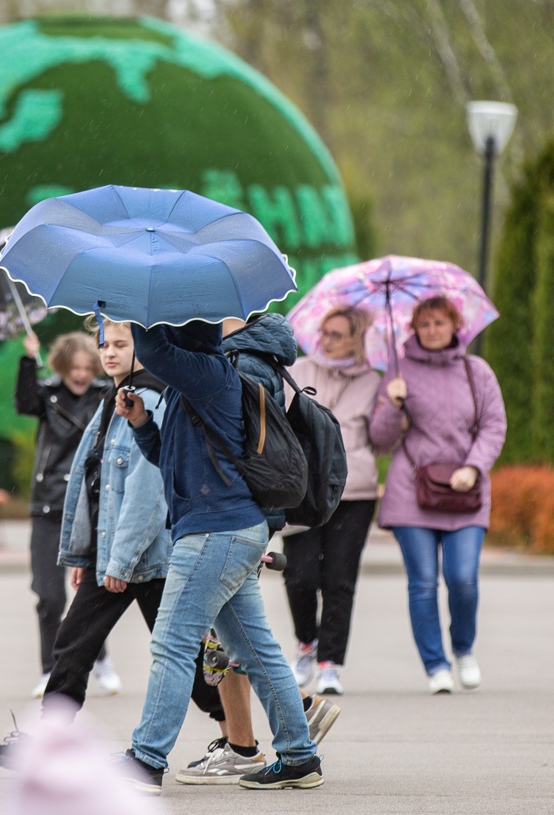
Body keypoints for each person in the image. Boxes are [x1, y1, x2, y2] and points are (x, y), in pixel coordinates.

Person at [0, 318, 226, 766]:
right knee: (77, 644)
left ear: (147, 347)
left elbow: (145, 493)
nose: (109, 352)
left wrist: (117, 560)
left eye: (120, 343)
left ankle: (245, 733)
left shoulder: (147, 398)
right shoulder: (111, 398)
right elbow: (93, 484)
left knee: (183, 658)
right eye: (104, 344)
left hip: (144, 558)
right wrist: (86, 553)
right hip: (114, 553)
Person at [115, 321, 322, 793]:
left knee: (172, 645)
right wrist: (143, 424)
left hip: (215, 532)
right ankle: (299, 757)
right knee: (255, 651)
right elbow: (172, 460)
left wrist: (136, 312)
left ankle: (145, 759)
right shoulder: (196, 382)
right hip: (226, 529)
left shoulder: (209, 371)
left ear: (184, 333)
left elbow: (152, 348)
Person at [174, 313, 339, 786]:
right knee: (233, 635)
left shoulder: (243, 358)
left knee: (224, 639)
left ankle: (259, 740)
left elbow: (232, 442)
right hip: (244, 512)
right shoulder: (250, 353)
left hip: (235, 513)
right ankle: (285, 733)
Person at [368, 297, 507, 694]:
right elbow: (379, 439)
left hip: (466, 491)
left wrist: (473, 467)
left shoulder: (475, 371)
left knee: (462, 578)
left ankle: (463, 649)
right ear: (414, 328)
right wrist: (393, 405)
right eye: (424, 324)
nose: (431, 330)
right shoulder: (398, 371)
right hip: (411, 492)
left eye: (439, 322)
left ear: (454, 325)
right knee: (423, 582)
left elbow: (494, 426)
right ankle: (436, 665)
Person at [283, 308, 382, 695]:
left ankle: (330, 663)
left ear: (356, 338)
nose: (327, 340)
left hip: (354, 492)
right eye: (324, 332)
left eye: (337, 334)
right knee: (300, 576)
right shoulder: (299, 370)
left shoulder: (374, 381)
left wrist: (394, 408)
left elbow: (385, 440)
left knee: (340, 581)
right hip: (304, 489)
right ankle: (306, 644)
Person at [15, 331, 115, 698]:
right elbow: (24, 402)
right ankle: (48, 668)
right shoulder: (47, 394)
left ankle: (100, 660)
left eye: (88, 367)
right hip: (49, 504)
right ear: (61, 366)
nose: (81, 375)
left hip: (91, 506)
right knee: (49, 596)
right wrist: (28, 360)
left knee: (94, 594)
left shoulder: (107, 394)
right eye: (74, 368)